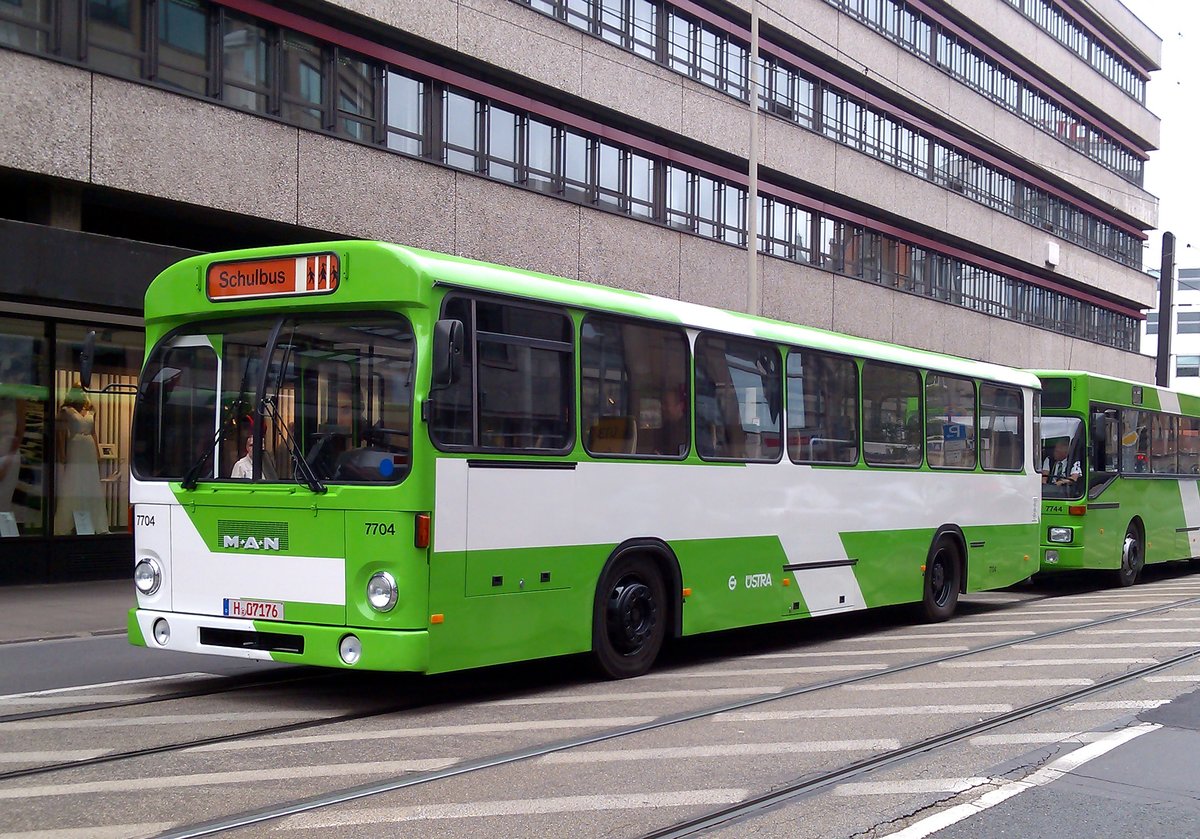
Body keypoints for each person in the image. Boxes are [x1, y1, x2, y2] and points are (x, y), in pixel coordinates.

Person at [54, 386, 109, 535]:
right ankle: (68, 522)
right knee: (74, 479)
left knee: (90, 481)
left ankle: (96, 523)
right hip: (75, 445)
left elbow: (94, 432)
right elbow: (60, 433)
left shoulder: (91, 410)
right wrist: (62, 453)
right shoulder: (66, 410)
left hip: (88, 446)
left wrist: (98, 452)